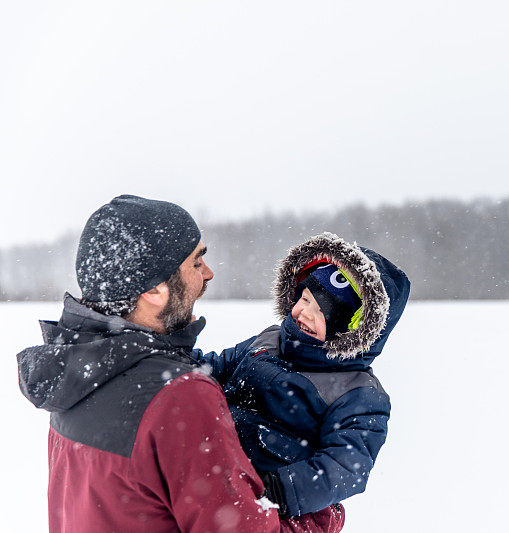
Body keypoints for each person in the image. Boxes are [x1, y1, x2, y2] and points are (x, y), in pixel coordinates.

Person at [16, 195, 344, 533]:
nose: (209, 273)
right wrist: (322, 512)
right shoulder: (179, 396)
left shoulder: (78, 370)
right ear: (155, 291)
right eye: (197, 262)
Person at [195, 232, 410, 517]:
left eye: (323, 311)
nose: (305, 313)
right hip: (207, 462)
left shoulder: (358, 393)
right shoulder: (268, 341)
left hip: (264, 497)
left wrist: (277, 491)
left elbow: (345, 466)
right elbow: (212, 368)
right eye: (306, 299)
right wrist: (168, 357)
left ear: (352, 331)